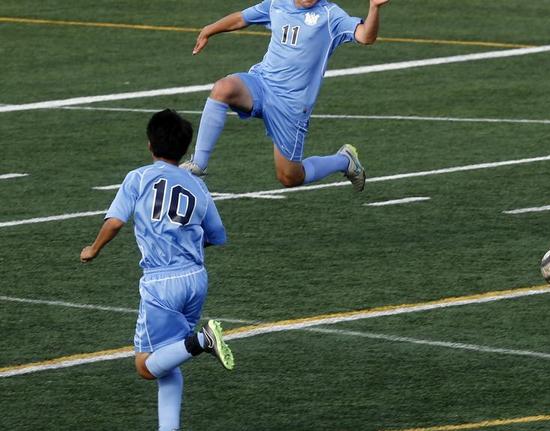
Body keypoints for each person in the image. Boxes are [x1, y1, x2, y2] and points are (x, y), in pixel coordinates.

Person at [80, 109, 235, 430]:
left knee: (145, 365)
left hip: (161, 282)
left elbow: (115, 222)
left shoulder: (138, 178)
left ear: (150, 144)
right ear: (184, 149)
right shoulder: (197, 186)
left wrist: (93, 249)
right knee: (167, 358)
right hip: (195, 279)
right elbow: (218, 235)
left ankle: (203, 341)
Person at [181, 0, 390, 192]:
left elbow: (365, 36)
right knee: (223, 88)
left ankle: (344, 161)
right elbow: (241, 18)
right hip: (261, 84)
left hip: (291, 107)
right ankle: (198, 164)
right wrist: (209, 30)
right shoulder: (277, 3)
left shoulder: (330, 15)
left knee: (290, 177)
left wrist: (374, 8)